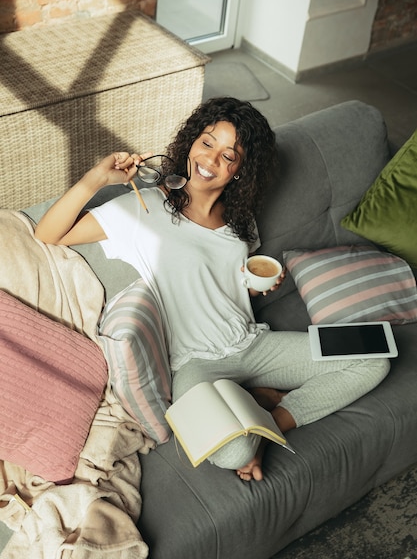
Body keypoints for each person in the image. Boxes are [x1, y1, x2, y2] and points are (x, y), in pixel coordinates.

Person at [35, 97, 390, 482]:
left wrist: (258, 290)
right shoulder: (145, 208)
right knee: (234, 451)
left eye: (229, 155)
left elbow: (224, 290)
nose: (212, 160)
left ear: (240, 170)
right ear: (190, 143)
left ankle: (270, 417)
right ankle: (255, 405)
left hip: (253, 344)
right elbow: (49, 234)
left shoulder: (242, 222)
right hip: (195, 364)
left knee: (373, 356)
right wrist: (98, 178)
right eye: (207, 143)